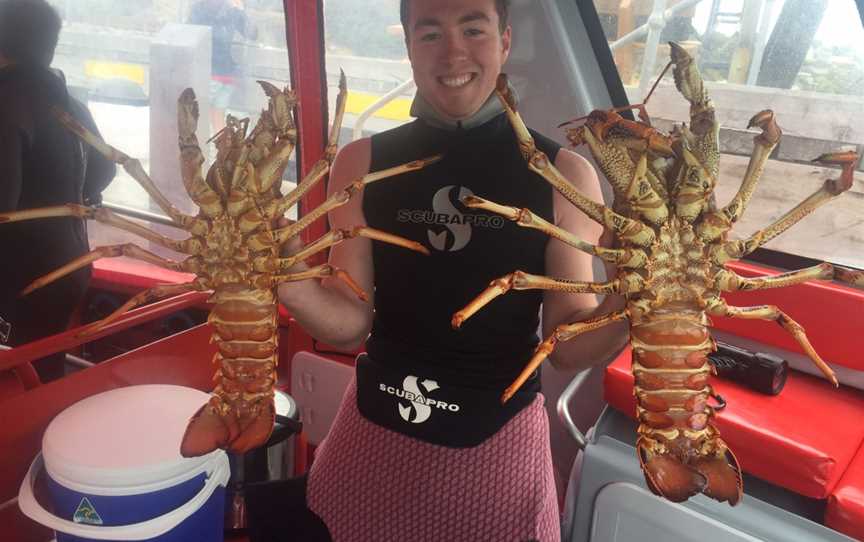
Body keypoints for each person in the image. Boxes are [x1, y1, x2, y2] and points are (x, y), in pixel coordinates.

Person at [256, 0, 627, 540]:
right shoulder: (359, 162)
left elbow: (567, 343)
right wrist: (284, 276)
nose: (453, 53)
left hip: (497, 443)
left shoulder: (564, 175)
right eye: (429, 34)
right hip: (373, 429)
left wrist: (632, 305)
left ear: (504, 41)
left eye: (472, 29)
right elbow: (349, 319)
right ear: (408, 47)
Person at [0, 0, 116, 382]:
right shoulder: (70, 104)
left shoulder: (5, 101)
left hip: (16, 279)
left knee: (12, 384)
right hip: (67, 267)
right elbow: (103, 170)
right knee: (43, 371)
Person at [188, 0, 258, 133]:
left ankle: (201, 150)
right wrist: (240, 11)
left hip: (211, 75)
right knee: (217, 118)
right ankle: (224, 152)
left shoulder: (201, 7)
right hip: (228, 76)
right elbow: (252, 33)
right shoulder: (230, 9)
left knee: (199, 117)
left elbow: (188, 34)